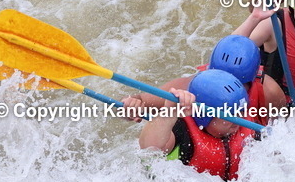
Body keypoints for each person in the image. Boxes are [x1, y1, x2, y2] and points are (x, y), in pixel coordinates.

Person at [122, 35, 284, 126]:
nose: (225, 86)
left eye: (237, 83)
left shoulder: (270, 92)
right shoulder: (188, 87)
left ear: (254, 79)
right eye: (219, 79)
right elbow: (137, 102)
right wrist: (131, 107)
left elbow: (279, 134)